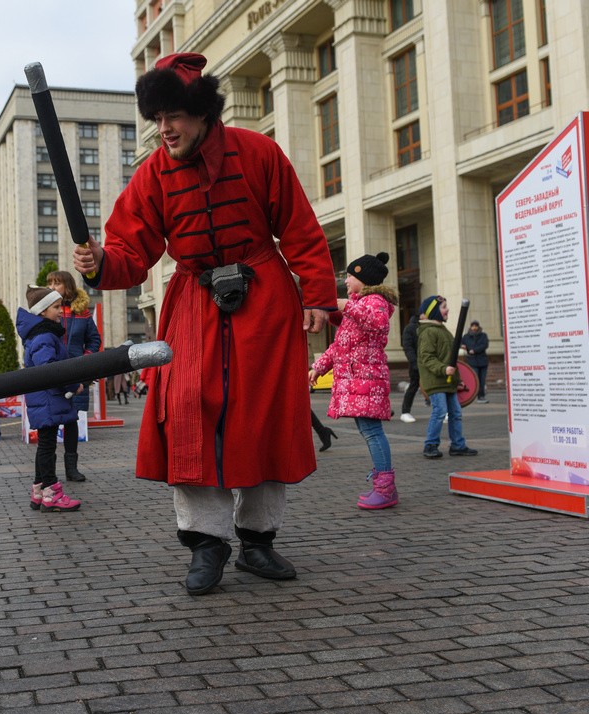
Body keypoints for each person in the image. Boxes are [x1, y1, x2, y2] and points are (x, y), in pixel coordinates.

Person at [73, 53, 337, 595]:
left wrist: (319, 296)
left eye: (173, 115)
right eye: (157, 117)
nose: (164, 128)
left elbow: (301, 229)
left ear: (202, 113)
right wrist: (101, 262)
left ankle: (258, 542)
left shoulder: (260, 152)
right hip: (192, 301)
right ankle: (206, 543)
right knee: (187, 408)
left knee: (262, 413)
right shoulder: (151, 176)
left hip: (264, 299)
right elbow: (132, 252)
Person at [310, 253, 399, 509]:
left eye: (350, 276)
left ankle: (386, 488)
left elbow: (379, 323)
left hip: (367, 381)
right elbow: (340, 346)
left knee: (372, 432)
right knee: (368, 431)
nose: (346, 280)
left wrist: (344, 305)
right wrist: (318, 368)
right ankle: (383, 486)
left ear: (364, 278)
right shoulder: (359, 306)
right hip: (359, 383)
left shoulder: (375, 301)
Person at [16, 285, 83, 512]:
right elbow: (51, 369)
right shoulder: (45, 336)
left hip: (45, 399)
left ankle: (39, 491)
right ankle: (52, 493)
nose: (61, 311)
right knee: (47, 447)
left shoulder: (41, 334)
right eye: (56, 307)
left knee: (44, 446)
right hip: (48, 399)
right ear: (42, 311)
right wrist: (74, 385)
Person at [47, 270, 100, 482]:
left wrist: (84, 361)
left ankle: (72, 469)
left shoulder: (83, 313)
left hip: (76, 374)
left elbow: (94, 340)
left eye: (56, 283)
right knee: (49, 423)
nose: (51, 287)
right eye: (49, 283)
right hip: (51, 372)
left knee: (71, 421)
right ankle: (48, 472)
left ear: (67, 287)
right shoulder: (46, 312)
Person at [417, 295, 478, 459]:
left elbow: (450, 359)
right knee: (440, 411)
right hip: (436, 381)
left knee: (456, 413)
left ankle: (458, 445)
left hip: (448, 381)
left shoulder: (443, 331)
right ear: (435, 311)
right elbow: (427, 358)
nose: (447, 309)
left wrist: (457, 379)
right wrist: (443, 369)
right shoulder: (429, 332)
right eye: (444, 307)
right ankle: (430, 445)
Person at [399, 312, 421, 422]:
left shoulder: (427, 327)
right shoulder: (410, 328)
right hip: (416, 364)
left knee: (437, 387)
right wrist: (414, 363)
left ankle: (443, 411)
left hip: (429, 363)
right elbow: (408, 347)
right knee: (413, 386)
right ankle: (405, 412)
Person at [462, 320, 490, 403]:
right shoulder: (466, 336)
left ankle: (481, 396)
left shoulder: (483, 335)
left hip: (483, 361)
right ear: (470, 327)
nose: (474, 328)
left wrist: (475, 350)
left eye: (476, 326)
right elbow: (461, 343)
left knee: (482, 379)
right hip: (472, 361)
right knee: (476, 379)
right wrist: (462, 346)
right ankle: (476, 396)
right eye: (473, 326)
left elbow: (484, 345)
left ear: (478, 327)